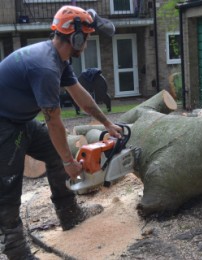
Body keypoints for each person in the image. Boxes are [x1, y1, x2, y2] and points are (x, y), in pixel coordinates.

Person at [0, 5, 121, 260]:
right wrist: (69, 161)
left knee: (54, 153)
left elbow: (82, 98)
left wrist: (107, 124)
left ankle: (69, 214)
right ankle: (15, 250)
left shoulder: (59, 60)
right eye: (86, 38)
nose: (87, 43)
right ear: (75, 37)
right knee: (9, 184)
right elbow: (53, 120)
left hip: (19, 121)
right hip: (3, 125)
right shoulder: (45, 67)